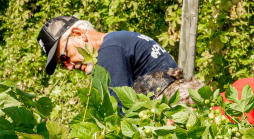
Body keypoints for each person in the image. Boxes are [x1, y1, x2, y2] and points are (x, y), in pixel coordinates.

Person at [37, 16, 180, 97]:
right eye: (62, 64)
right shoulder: (118, 40)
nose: (69, 67)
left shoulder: (109, 50)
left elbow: (119, 110)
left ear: (78, 34)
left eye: (65, 57)